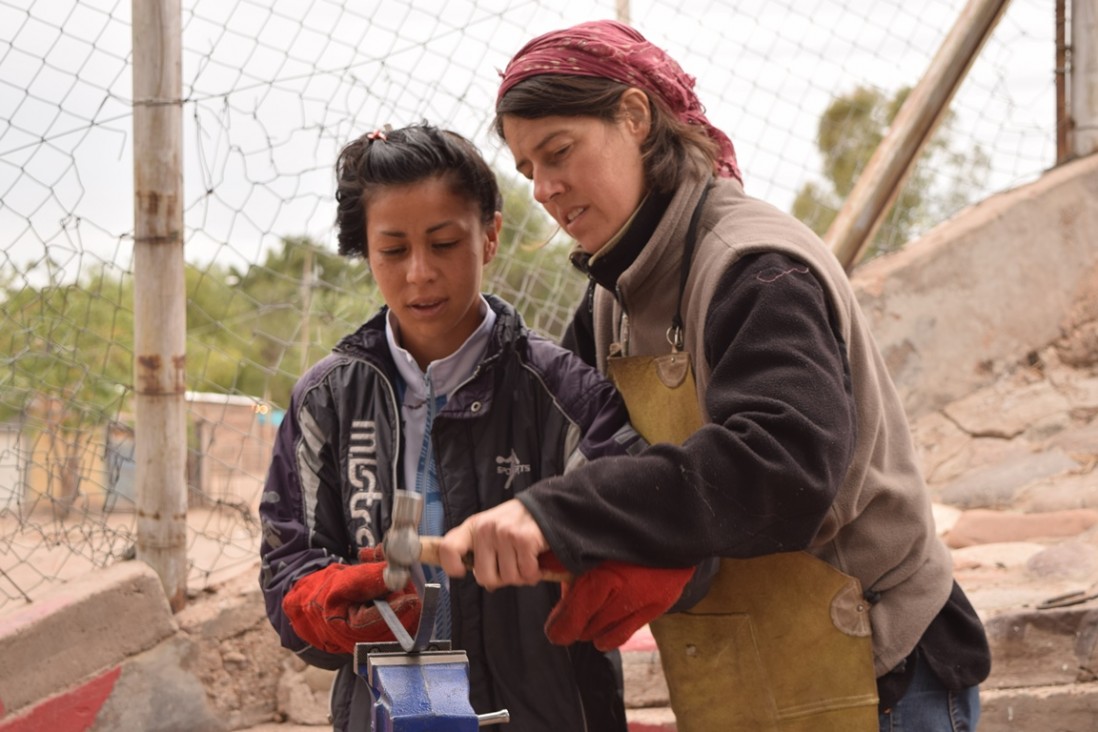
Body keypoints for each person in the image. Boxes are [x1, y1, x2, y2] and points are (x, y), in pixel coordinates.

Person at [438, 20, 992, 732]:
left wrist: (562, 515)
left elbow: (782, 467)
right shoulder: (612, 296)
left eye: (559, 152)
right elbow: (572, 453)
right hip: (755, 667)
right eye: (527, 170)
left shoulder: (754, 268)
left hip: (882, 671)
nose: (544, 188)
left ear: (634, 117)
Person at [257, 123, 688, 731]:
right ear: (365, 252)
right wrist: (318, 604)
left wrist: (603, 560)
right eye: (394, 250)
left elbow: (646, 517)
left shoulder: (560, 389)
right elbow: (287, 569)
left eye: (443, 243)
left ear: (489, 236)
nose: (420, 273)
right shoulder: (325, 401)